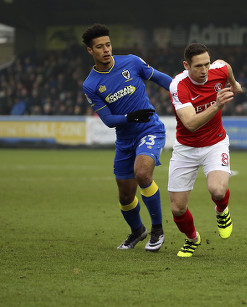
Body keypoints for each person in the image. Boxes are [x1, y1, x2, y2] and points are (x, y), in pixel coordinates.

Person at [81, 24, 172, 251]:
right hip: (125, 139)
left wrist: (186, 92)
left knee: (142, 173)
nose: (106, 50)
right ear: (90, 51)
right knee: (125, 196)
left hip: (150, 129)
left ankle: (157, 230)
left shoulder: (131, 61)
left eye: (108, 45)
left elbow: (162, 79)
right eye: (100, 47)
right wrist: (131, 117)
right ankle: (137, 231)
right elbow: (109, 120)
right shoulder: (91, 84)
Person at [168, 43, 242, 257]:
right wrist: (217, 105)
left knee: (217, 190)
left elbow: (225, 66)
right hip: (186, 148)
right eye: (198, 66)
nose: (204, 70)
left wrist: (234, 85)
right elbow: (190, 123)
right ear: (186, 65)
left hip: (215, 143)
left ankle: (221, 210)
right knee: (177, 209)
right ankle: (193, 239)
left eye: (207, 64)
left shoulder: (217, 70)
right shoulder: (178, 85)